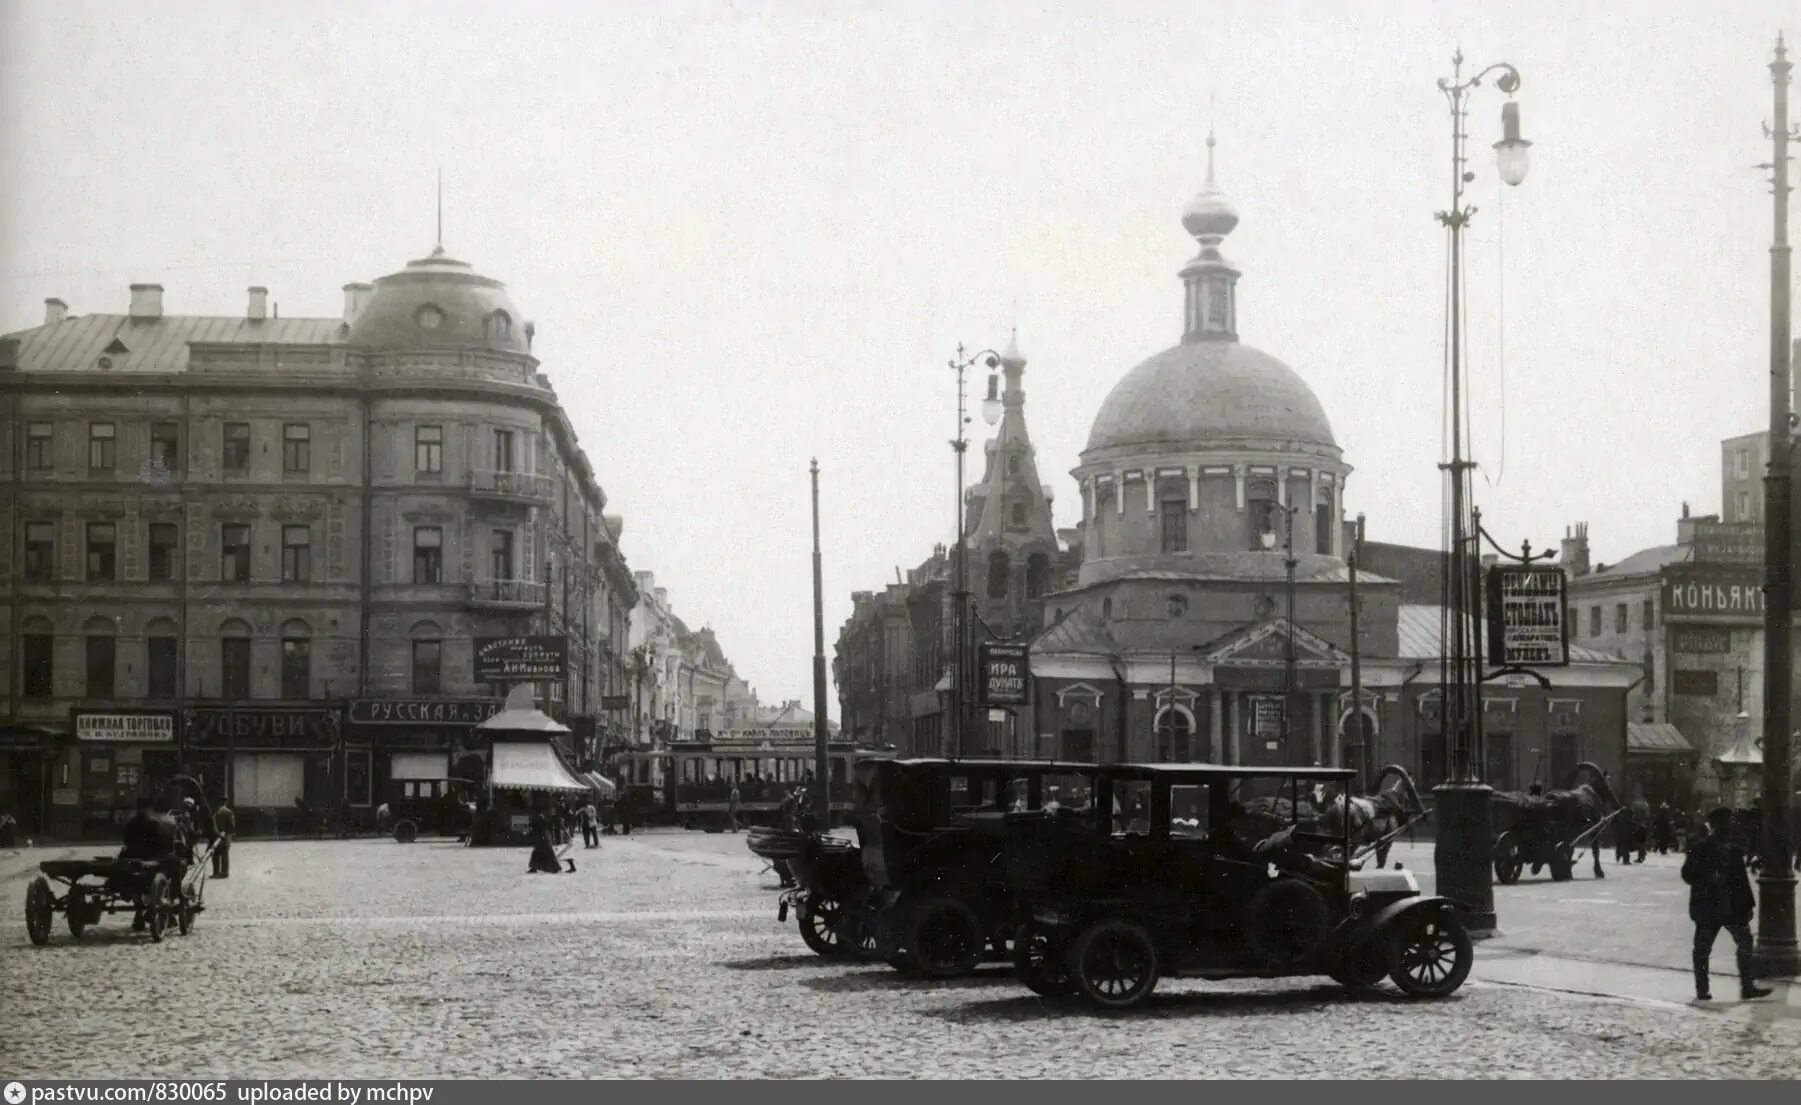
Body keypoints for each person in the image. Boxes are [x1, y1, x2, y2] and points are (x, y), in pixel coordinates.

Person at [1682, 807, 1772, 1002]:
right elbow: (1688, 874)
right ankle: (1706, 988)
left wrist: (1747, 905)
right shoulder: (1701, 848)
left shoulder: (1732, 850)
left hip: (1730, 907)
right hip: (1711, 906)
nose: (1729, 827)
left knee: (1738, 943)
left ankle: (1743, 986)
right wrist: (1708, 878)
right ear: (1716, 826)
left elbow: (1741, 882)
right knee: (1704, 948)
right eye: (1725, 823)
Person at [213, 801, 235, 878]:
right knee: (222, 853)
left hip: (221, 835)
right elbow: (232, 824)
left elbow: (231, 824)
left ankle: (218, 872)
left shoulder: (219, 812)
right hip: (223, 835)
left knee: (219, 853)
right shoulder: (227, 811)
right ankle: (222, 872)